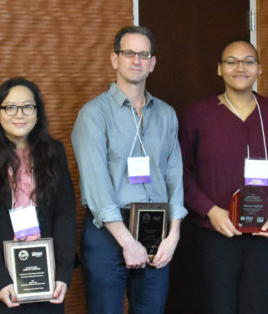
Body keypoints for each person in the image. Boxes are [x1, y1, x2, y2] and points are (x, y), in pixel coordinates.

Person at [179, 40, 268, 314]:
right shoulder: (198, 115)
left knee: (257, 308)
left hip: (265, 236)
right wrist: (209, 211)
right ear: (219, 69)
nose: (240, 68)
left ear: (259, 68)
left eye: (248, 61)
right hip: (216, 235)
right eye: (231, 62)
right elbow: (181, 173)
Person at [71, 25, 186, 314]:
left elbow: (175, 178)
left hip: (156, 231)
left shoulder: (166, 114)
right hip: (107, 234)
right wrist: (127, 241)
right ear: (115, 59)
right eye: (129, 53)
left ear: (153, 63)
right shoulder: (94, 114)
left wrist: (173, 235)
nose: (136, 60)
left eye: (143, 54)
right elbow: (96, 186)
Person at [0, 78, 76, 313]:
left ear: (37, 113)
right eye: (10, 107)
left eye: (27, 107)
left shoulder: (54, 152)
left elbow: (66, 214)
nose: (19, 114)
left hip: (46, 275)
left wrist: (63, 273)